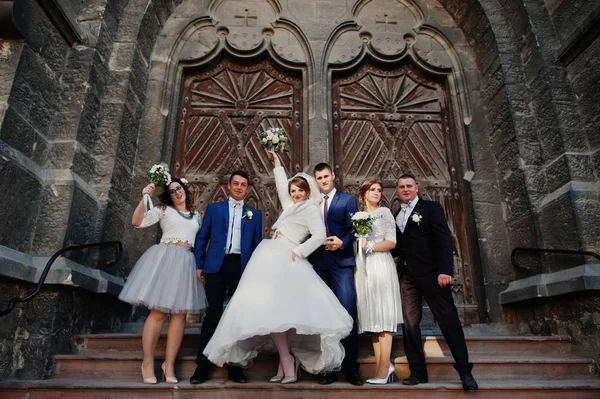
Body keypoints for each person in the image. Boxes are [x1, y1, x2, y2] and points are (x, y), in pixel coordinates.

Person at [202, 151, 353, 383]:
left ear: (307, 191)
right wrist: (277, 163)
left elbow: (320, 234)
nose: (294, 194)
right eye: (293, 191)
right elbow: (282, 186)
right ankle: (285, 364)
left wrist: (299, 251)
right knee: (271, 313)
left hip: (287, 257)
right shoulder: (290, 206)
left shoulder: (310, 209)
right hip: (270, 255)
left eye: (299, 191)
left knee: (278, 314)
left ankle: (287, 364)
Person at [393, 174, 478, 392]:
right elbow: (397, 245)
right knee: (410, 324)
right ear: (397, 189)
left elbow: (443, 239)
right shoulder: (396, 214)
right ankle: (418, 372)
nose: (405, 190)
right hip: (407, 276)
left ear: (416, 187)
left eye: (409, 186)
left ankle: (465, 373)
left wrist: (445, 270)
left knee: (448, 320)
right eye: (401, 187)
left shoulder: (431, 208)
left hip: (432, 274)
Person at [119, 178, 207, 384]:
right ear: (168, 195)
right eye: (172, 191)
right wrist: (144, 198)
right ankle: (147, 361)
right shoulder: (163, 210)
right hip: (167, 258)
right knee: (158, 313)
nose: (177, 193)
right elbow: (137, 222)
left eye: (179, 188)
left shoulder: (196, 216)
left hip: (187, 261)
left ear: (185, 189)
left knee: (179, 316)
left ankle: (169, 364)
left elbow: (200, 242)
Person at [190, 171, 263, 384]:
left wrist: (256, 271)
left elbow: (257, 245)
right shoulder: (214, 209)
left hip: (241, 267)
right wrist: (199, 264)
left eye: (243, 185)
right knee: (212, 314)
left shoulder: (255, 214)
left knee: (237, 318)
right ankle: (202, 366)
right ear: (229, 186)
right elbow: (202, 237)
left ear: (248, 188)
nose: (239, 187)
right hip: (216, 266)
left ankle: (235, 366)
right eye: (236, 184)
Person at [308, 163, 363, 385]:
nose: (323, 180)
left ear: (333, 176)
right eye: (319, 178)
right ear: (316, 180)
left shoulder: (347, 200)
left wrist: (342, 242)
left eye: (326, 176)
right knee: (324, 315)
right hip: (318, 263)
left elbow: (354, 228)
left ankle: (352, 367)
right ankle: (330, 368)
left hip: (341, 262)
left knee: (347, 311)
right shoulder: (311, 203)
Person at [354, 179, 403, 384]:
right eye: (372, 189)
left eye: (379, 190)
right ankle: (381, 368)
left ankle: (384, 371)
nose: (376, 192)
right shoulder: (359, 216)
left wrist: (370, 245)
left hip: (381, 264)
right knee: (373, 320)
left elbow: (392, 242)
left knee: (383, 318)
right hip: (364, 268)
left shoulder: (384, 213)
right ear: (364, 193)